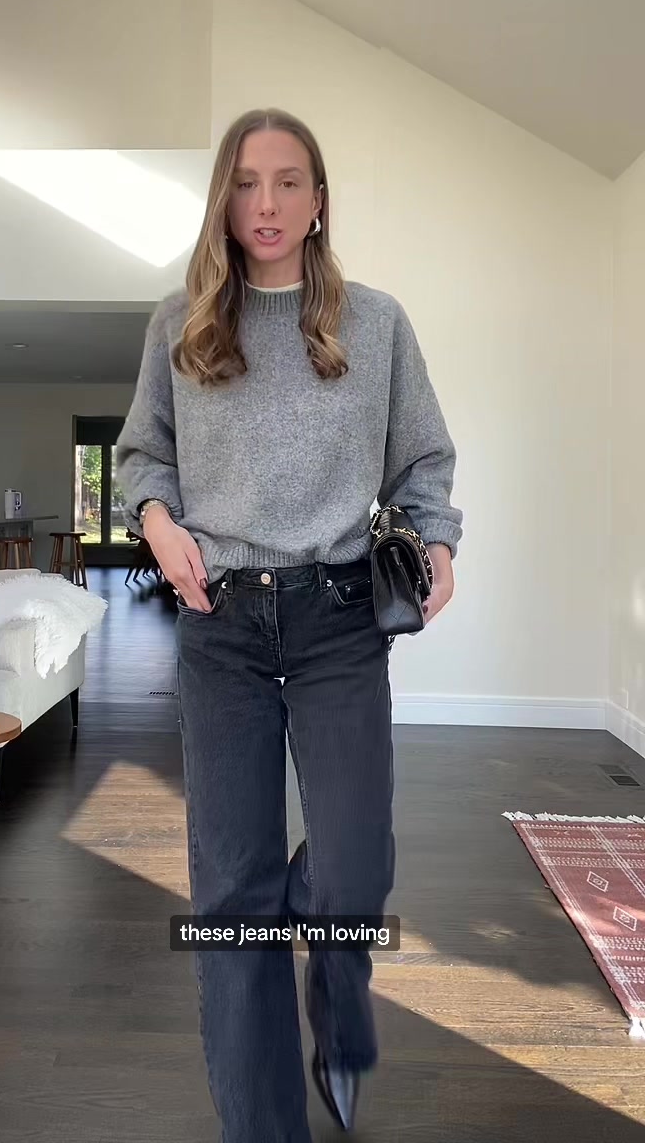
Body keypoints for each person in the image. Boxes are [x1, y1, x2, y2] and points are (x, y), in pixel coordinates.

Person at [116, 108, 463, 1143]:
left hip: (338, 614)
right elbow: (143, 457)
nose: (265, 203)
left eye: (288, 181)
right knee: (233, 896)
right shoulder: (179, 324)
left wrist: (439, 541)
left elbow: (423, 459)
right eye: (245, 182)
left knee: (353, 868)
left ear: (318, 201)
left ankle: (341, 1022)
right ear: (222, 198)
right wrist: (157, 522)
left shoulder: (377, 323)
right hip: (220, 620)